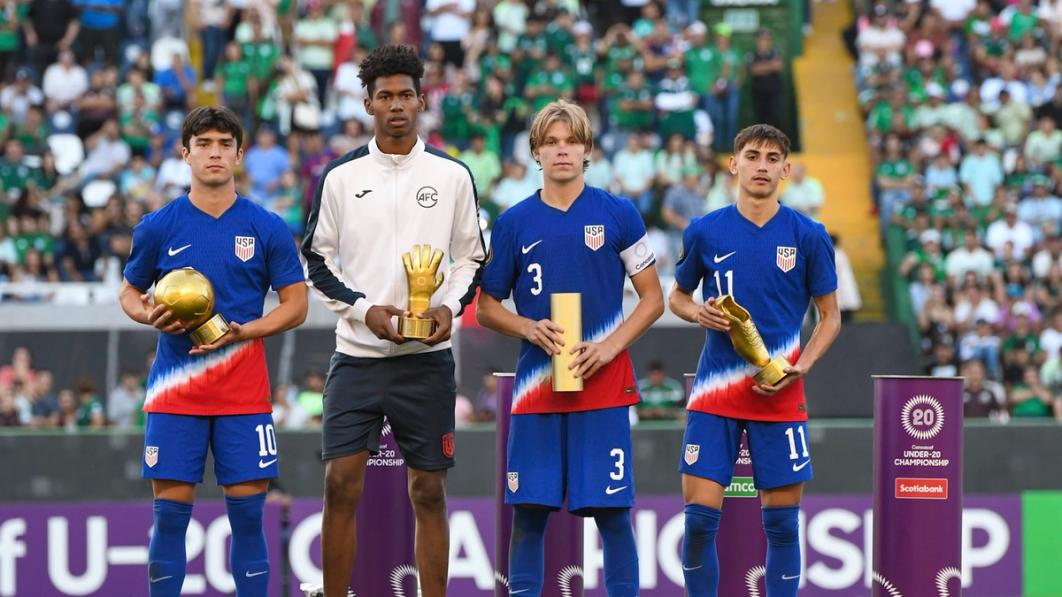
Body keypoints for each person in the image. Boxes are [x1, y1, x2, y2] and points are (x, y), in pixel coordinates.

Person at [300, 45, 486, 597]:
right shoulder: (340, 176)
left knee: (428, 490)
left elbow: (472, 258)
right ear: (368, 104)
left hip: (426, 361)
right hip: (357, 357)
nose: (397, 105)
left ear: (422, 101)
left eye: (406, 95)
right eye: (386, 96)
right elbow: (316, 260)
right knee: (340, 484)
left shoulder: (452, 175)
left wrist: (447, 309)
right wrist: (366, 311)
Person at [477, 99, 664, 596]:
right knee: (529, 512)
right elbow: (486, 308)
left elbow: (653, 299)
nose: (562, 151)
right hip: (538, 386)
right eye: (551, 142)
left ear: (588, 151)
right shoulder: (513, 222)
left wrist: (608, 347)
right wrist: (527, 327)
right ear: (535, 152)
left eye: (572, 142)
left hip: (602, 384)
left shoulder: (619, 213)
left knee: (613, 513)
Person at [118, 106, 308, 597]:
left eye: (225, 144)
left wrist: (248, 331)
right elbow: (129, 292)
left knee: (248, 520)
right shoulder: (157, 226)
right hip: (175, 393)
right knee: (169, 521)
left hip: (244, 393)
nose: (215, 153)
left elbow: (297, 304)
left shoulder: (266, 226)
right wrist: (148, 314)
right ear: (185, 153)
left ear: (240, 154)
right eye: (204, 144)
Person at [668, 124, 841, 597]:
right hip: (715, 393)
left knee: (782, 526)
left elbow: (830, 317)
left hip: (779, 391)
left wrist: (802, 366)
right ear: (734, 164)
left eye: (772, 158)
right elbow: (677, 296)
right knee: (698, 522)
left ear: (786, 169)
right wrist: (696, 311)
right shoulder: (705, 230)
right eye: (752, 155)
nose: (761, 165)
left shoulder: (809, 235)